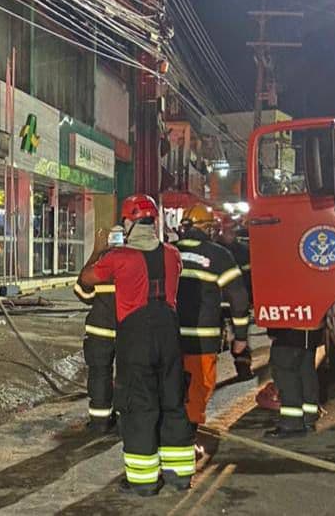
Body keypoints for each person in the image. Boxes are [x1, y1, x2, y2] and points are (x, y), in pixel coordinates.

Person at [79, 194, 194, 497]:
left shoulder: (120, 258)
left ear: (128, 222)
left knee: (139, 407)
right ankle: (180, 474)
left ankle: (143, 481)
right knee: (172, 401)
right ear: (154, 222)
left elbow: (86, 280)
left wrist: (101, 250)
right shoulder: (172, 254)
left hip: (136, 338)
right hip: (169, 336)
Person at [175, 204, 250, 440]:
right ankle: (187, 440)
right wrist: (240, 336)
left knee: (170, 388)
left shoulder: (168, 252)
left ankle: (172, 435)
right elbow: (238, 298)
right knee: (198, 390)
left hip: (169, 337)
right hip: (202, 340)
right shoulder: (218, 255)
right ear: (208, 229)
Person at [74, 224, 123, 434]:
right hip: (127, 332)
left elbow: (82, 294)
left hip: (99, 331)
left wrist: (95, 254)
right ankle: (124, 421)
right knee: (128, 375)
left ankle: (99, 423)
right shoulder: (134, 262)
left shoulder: (100, 265)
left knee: (99, 375)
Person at [266, 324, 325, 437]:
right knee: (305, 369)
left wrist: (273, 329)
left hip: (289, 328)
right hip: (310, 327)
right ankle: (309, 417)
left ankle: (291, 424)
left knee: (285, 369)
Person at [216, 214, 253, 381]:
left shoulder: (243, 251)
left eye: (232, 231)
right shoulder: (214, 250)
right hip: (217, 302)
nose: (230, 234)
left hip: (234, 302)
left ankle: (244, 369)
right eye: (227, 230)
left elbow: (249, 277)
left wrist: (250, 299)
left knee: (240, 337)